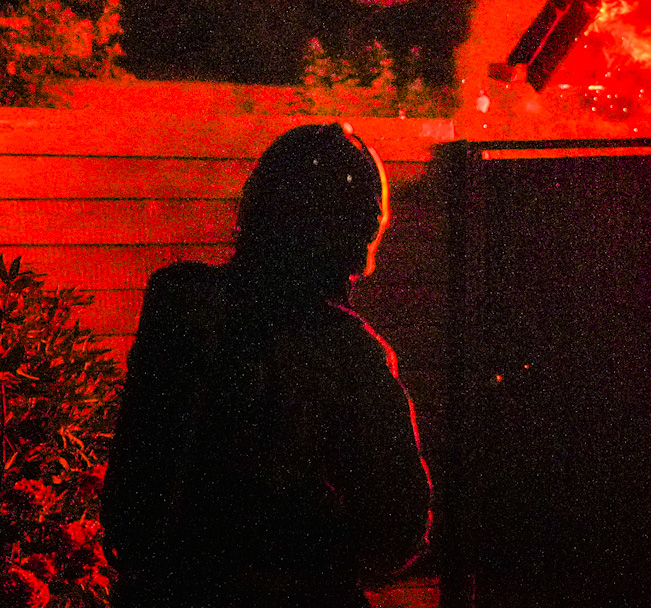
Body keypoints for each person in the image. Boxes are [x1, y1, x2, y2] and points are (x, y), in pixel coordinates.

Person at [103, 123, 432, 608]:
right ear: (359, 238)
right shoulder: (353, 354)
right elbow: (397, 531)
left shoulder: (179, 302)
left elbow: (131, 499)